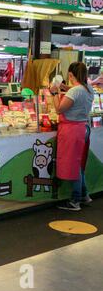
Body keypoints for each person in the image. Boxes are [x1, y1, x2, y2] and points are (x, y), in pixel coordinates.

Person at [50, 62, 94, 211]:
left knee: (73, 165)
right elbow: (74, 91)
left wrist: (54, 93)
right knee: (78, 164)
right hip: (83, 128)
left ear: (70, 75)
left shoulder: (75, 91)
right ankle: (84, 194)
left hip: (72, 131)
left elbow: (59, 109)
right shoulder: (88, 88)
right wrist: (63, 88)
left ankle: (75, 200)